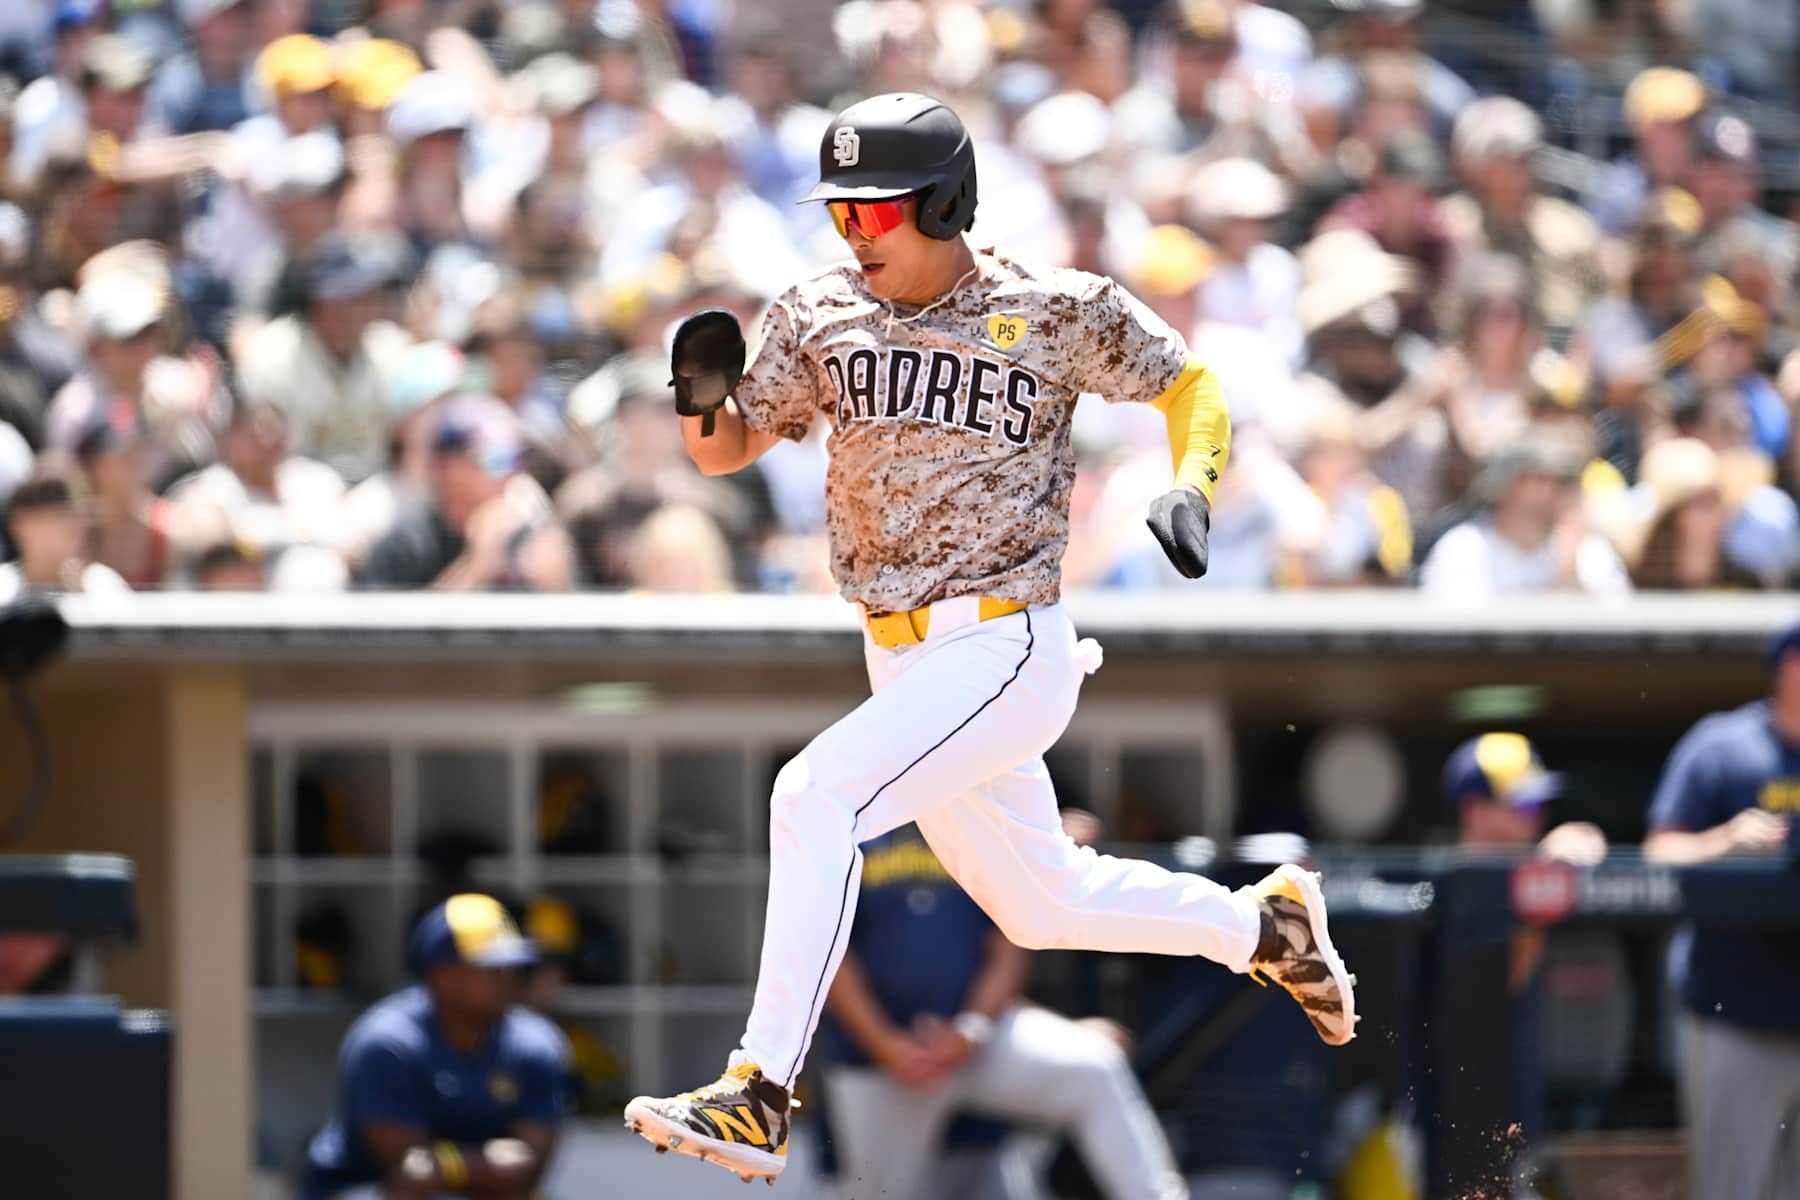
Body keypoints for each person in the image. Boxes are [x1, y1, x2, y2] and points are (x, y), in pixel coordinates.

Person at [622, 92, 1357, 1186]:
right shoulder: (820, 311)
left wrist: (1192, 483)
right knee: (1042, 902)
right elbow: (728, 451)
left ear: (944, 200)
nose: (852, 237)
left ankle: (761, 1087)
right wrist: (697, 399)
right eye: (841, 216)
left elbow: (1189, 385)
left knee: (810, 794)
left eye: (873, 215)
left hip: (1004, 639)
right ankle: (1261, 929)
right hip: (897, 651)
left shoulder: (1051, 306)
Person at [819, 821, 1188, 1200]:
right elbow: (829, 957)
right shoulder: (847, 818)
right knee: (877, 1194)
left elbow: (1007, 945)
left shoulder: (969, 817)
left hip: (978, 1039)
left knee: (1095, 1066)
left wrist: (970, 1031)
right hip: (881, 1058)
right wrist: (886, 1045)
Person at [1644, 624, 1800, 1200]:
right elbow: (1658, 853)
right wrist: (1724, 843)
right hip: (1738, 1014)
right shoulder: (1723, 746)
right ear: (1788, 665)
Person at [300, 894, 570, 1200]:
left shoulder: (536, 1044)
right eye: (490, 966)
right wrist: (489, 1161)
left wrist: (443, 1163)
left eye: (510, 966)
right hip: (364, 1188)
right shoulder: (388, 1042)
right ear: (442, 975)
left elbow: (528, 1170)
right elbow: (408, 1170)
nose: (507, 978)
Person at [357, 395, 574, 592]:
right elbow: (392, 632)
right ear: (447, 469)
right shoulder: (404, 547)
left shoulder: (526, 536)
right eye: (496, 461)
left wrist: (554, 574)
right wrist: (480, 563)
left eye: (515, 460)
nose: (512, 474)